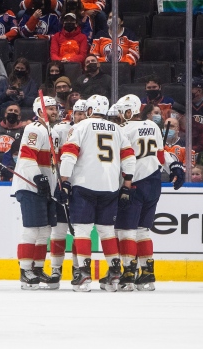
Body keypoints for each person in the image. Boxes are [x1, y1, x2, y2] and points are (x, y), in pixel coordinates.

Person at [57, 94, 136, 292]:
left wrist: (64, 181)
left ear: (89, 110)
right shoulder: (118, 129)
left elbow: (68, 154)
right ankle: (115, 272)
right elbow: (129, 158)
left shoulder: (80, 127)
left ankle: (83, 273)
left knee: (82, 229)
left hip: (84, 185)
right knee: (107, 230)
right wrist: (126, 185)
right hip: (110, 186)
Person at [111, 94, 184, 291]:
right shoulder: (153, 126)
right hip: (154, 183)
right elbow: (161, 156)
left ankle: (128, 273)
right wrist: (176, 166)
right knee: (143, 230)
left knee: (125, 230)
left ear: (129, 110)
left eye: (121, 111)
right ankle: (148, 273)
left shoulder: (123, 130)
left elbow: (117, 159)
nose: (119, 115)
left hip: (133, 183)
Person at [11, 95, 59, 290]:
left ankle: (38, 268)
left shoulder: (51, 132)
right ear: (40, 111)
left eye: (56, 108)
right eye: (50, 109)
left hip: (46, 188)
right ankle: (25, 270)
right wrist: (39, 178)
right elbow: (28, 157)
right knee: (31, 230)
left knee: (45, 230)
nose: (55, 111)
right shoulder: (34, 129)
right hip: (31, 186)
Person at [48, 98, 86, 285]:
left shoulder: (90, 132)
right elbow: (52, 156)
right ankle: (56, 270)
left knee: (78, 231)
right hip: (62, 185)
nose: (79, 117)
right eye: (77, 113)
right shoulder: (61, 130)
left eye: (82, 113)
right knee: (59, 230)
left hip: (81, 187)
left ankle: (78, 268)